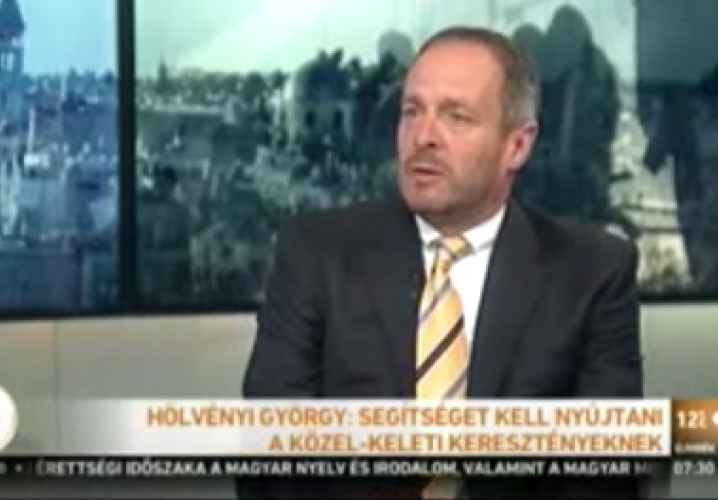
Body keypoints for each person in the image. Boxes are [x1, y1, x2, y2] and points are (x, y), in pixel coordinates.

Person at [239, 26, 642, 499]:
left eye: (457, 117)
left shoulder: (592, 273)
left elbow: (606, 477)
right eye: (412, 112)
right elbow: (270, 464)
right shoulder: (316, 253)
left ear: (517, 145)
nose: (423, 137)